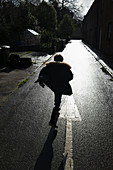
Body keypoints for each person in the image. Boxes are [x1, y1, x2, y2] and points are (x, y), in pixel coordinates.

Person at [35, 54, 73, 128]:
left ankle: (56, 110)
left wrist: (42, 82)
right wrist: (64, 80)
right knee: (58, 101)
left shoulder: (49, 66)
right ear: (62, 60)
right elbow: (71, 77)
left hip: (53, 85)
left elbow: (41, 74)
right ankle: (52, 121)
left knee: (57, 95)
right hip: (61, 85)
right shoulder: (65, 67)